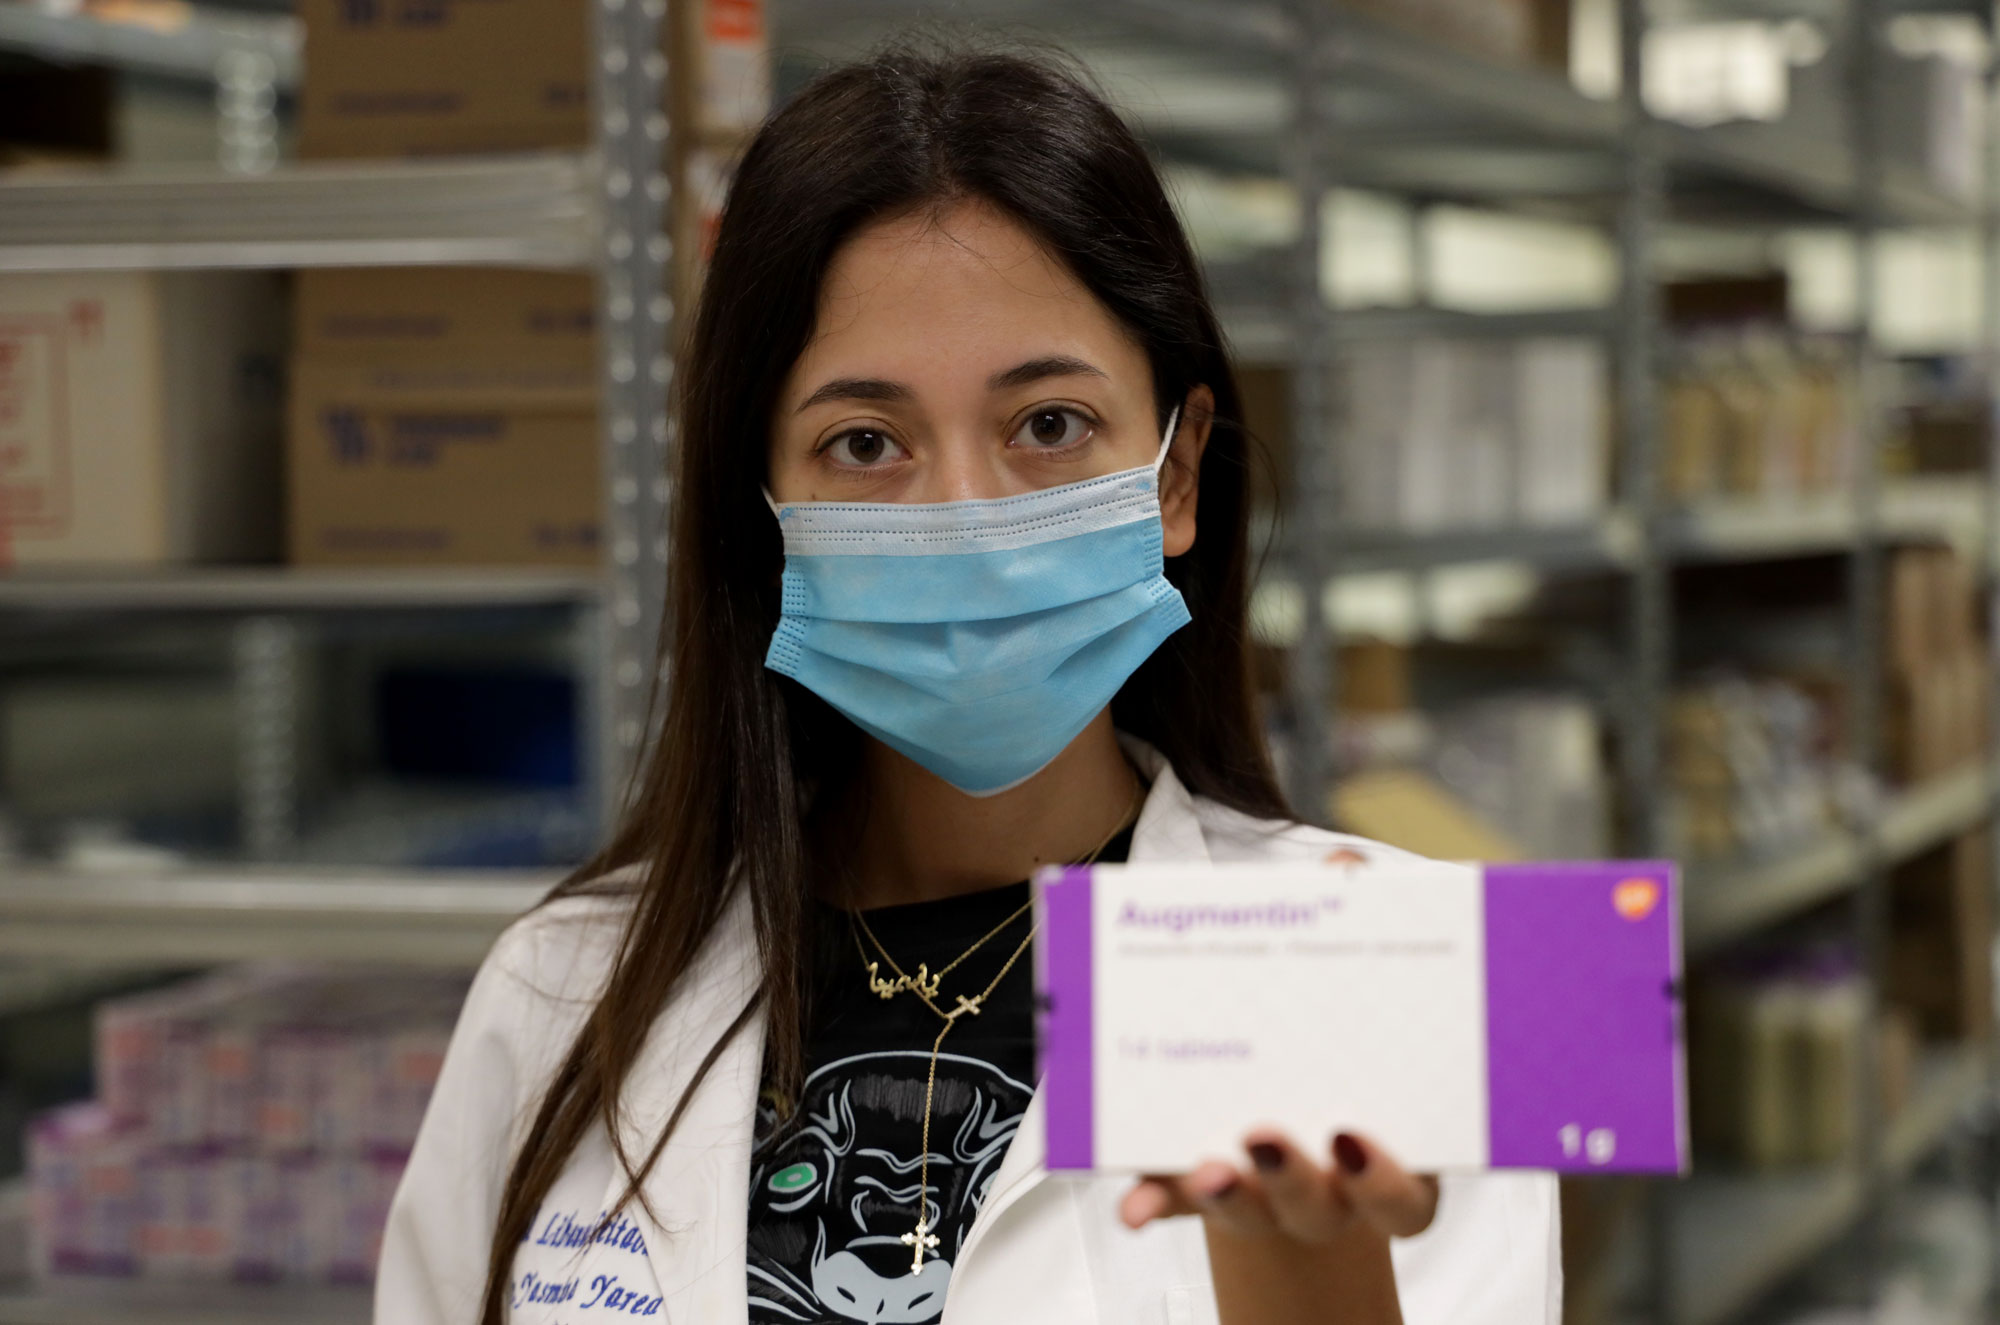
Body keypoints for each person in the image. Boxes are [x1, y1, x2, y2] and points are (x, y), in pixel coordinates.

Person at [375, 44, 1559, 1325]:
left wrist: (1304, 1274)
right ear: (763, 505)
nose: (963, 514)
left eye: (1046, 424)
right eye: (865, 443)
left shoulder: (1395, 975)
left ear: (1174, 473)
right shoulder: (561, 996)